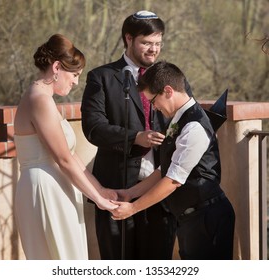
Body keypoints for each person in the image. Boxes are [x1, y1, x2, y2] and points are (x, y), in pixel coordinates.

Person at [111, 61, 236, 260]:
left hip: (208, 219)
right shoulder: (179, 120)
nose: (154, 108)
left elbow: (172, 181)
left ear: (168, 91)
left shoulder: (193, 126)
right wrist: (130, 193)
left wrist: (133, 209)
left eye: (153, 101)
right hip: (190, 219)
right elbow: (165, 169)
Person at [81, 11, 181, 259]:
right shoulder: (101, 77)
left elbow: (183, 117)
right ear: (128, 38)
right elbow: (93, 127)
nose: (153, 50)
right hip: (116, 190)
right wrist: (134, 137)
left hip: (160, 191)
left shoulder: (170, 77)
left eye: (158, 43)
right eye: (146, 43)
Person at [13, 34, 117, 260]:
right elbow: (64, 160)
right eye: (74, 75)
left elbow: (71, 156)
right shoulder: (39, 100)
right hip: (44, 188)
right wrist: (99, 201)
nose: (76, 82)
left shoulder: (45, 98)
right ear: (57, 67)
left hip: (57, 186)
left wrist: (100, 190)